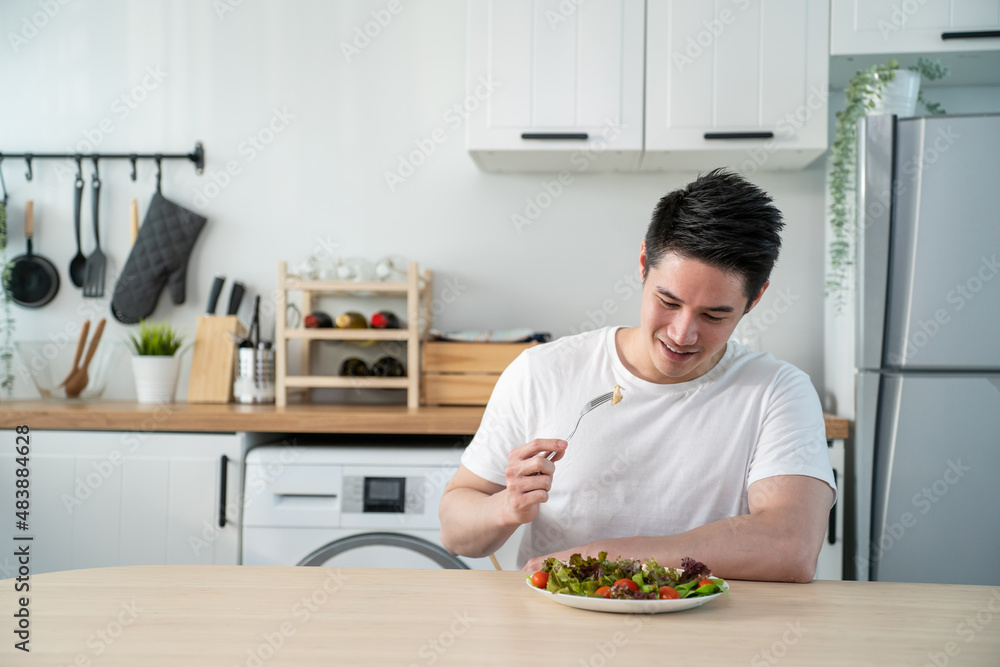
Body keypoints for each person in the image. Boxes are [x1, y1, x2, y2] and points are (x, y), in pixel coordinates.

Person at [438, 169, 836, 582]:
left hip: (713, 640)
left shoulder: (776, 391)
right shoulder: (542, 371)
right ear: (644, 262)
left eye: (714, 314)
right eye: (668, 301)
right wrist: (505, 507)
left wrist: (605, 558)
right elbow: (456, 533)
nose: (682, 334)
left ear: (755, 298)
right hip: (555, 638)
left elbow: (790, 547)